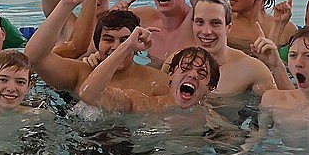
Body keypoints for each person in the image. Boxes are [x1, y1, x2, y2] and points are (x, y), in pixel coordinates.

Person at [24, 0, 170, 100]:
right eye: (108, 39)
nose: (116, 47)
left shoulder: (157, 82)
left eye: (125, 40)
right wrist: (65, 5)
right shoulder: (80, 73)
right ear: (97, 43)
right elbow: (34, 58)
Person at [167, 0, 292, 96]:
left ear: (228, 27)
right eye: (200, 22)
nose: (206, 31)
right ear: (192, 24)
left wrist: (277, 66)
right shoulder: (175, 63)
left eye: (215, 23)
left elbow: (288, 114)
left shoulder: (252, 70)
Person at [79, 36, 220, 112]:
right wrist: (127, 47)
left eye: (202, 73)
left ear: (210, 88)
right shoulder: (139, 104)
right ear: (170, 74)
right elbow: (88, 94)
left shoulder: (211, 120)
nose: (193, 75)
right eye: (185, 68)